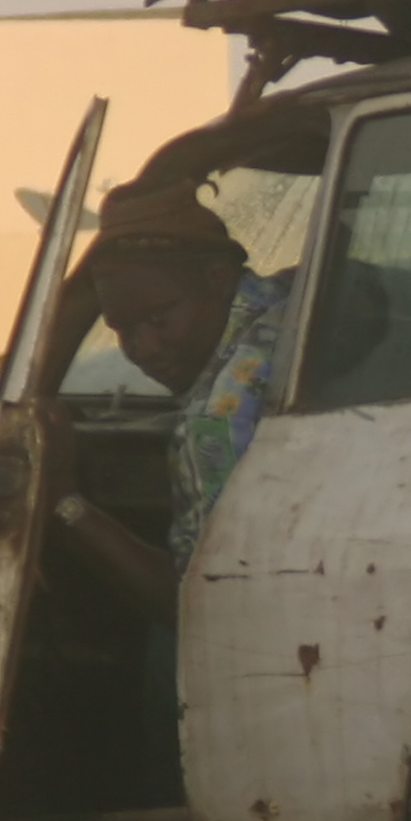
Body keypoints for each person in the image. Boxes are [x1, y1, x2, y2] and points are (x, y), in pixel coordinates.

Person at [86, 178, 293, 567]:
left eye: (159, 318)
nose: (144, 349)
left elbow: (194, 600)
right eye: (124, 331)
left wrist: (70, 509)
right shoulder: (294, 295)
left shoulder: (219, 421)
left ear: (217, 276)